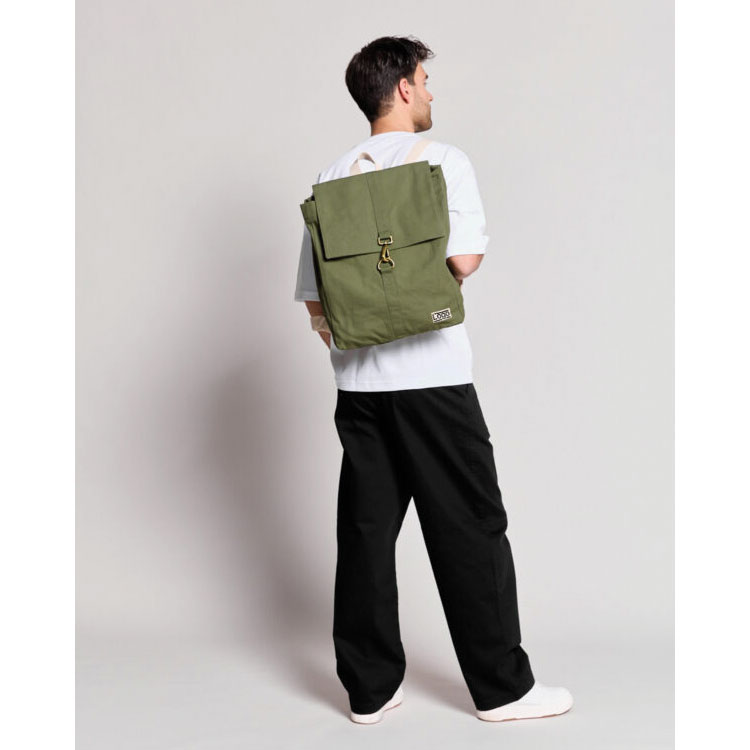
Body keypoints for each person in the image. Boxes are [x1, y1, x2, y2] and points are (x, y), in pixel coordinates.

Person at [294, 35, 573, 725]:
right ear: (404, 88)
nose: (430, 91)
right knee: (470, 526)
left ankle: (368, 691)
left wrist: (358, 337)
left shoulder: (330, 177)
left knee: (366, 534)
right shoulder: (442, 160)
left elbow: (314, 299)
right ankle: (503, 690)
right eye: (424, 79)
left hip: (358, 388)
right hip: (434, 379)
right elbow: (464, 261)